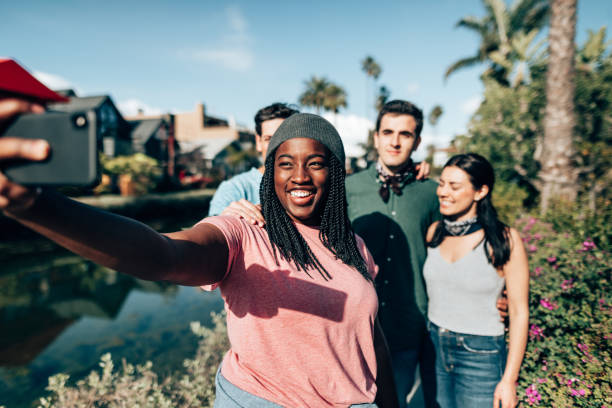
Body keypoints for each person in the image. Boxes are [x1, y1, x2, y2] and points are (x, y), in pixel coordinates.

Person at [1, 108, 398, 408]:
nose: (299, 176)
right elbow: (163, 255)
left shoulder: (354, 245)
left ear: (336, 172)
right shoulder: (244, 232)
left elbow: (368, 334)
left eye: (315, 163)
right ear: (268, 172)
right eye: (285, 163)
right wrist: (36, 206)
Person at [344, 100, 439, 408]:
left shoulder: (434, 193)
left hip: (407, 327)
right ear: (376, 137)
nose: (395, 141)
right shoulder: (347, 188)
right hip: (353, 329)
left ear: (417, 141)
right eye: (387, 132)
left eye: (405, 134)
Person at [423, 153, 529, 408]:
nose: (443, 192)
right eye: (442, 183)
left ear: (480, 191)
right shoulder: (434, 232)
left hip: (481, 354)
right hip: (433, 346)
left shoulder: (504, 240)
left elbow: (519, 311)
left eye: (455, 186)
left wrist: (509, 381)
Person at [207, 103, 298, 217]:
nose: (277, 146)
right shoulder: (235, 189)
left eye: (285, 139)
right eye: (269, 139)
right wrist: (226, 219)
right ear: (258, 142)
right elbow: (210, 230)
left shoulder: (313, 185)